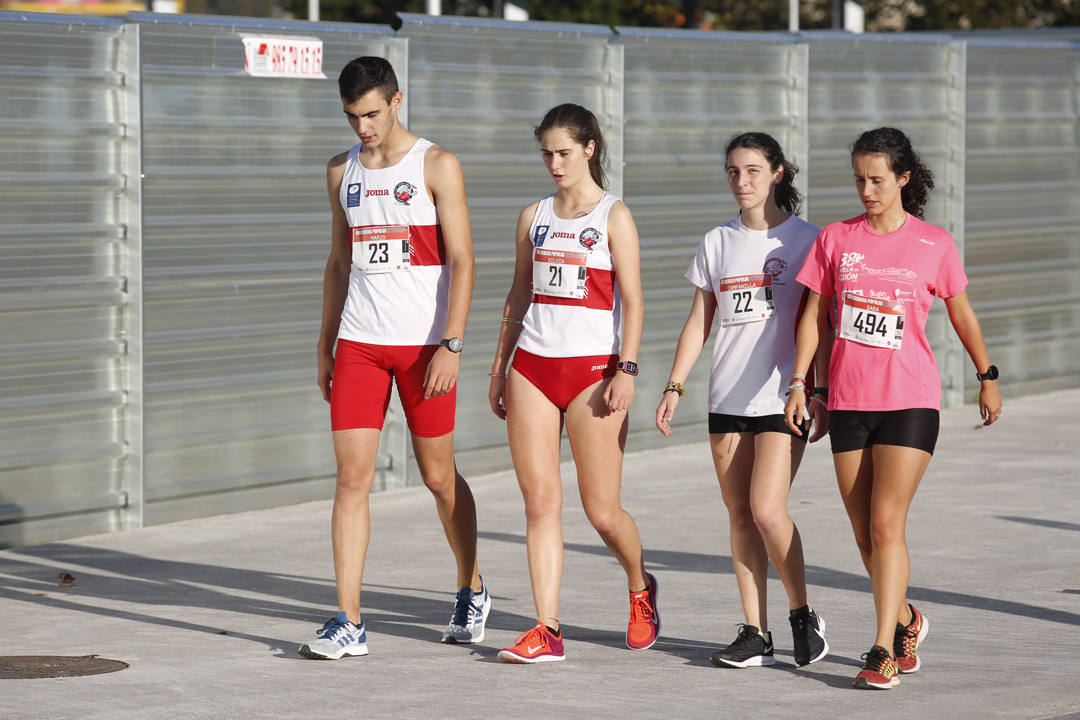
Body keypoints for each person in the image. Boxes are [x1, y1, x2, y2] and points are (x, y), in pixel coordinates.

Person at [784, 127, 1003, 689]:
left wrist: (987, 376)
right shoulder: (835, 239)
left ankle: (882, 649)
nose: (866, 190)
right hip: (848, 401)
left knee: (886, 524)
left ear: (903, 178)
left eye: (877, 179)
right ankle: (907, 620)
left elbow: (963, 315)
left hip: (910, 401)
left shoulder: (934, 244)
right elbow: (813, 317)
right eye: (859, 179)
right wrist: (803, 386)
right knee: (863, 535)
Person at [299, 56, 488, 660]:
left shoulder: (437, 164)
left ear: (397, 100)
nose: (363, 128)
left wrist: (452, 343)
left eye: (373, 114)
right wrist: (325, 344)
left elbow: (462, 258)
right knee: (351, 480)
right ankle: (348, 621)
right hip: (360, 344)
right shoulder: (340, 171)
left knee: (438, 477)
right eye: (353, 117)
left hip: (425, 347)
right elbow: (338, 263)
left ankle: (471, 585)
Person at [488, 103, 658, 663]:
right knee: (540, 504)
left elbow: (633, 301)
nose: (554, 163)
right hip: (532, 368)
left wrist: (626, 369)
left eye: (563, 152)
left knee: (602, 510)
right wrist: (499, 366)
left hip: (593, 375)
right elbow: (519, 296)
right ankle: (547, 628)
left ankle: (639, 586)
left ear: (589, 148)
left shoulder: (614, 216)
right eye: (546, 153)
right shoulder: (533, 215)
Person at [655, 132, 831, 669]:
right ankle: (756, 632)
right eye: (733, 171)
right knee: (738, 514)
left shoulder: (808, 240)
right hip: (726, 395)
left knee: (767, 510)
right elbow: (699, 321)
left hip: (785, 395)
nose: (742, 182)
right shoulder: (717, 241)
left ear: (777, 173)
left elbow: (820, 321)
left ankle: (802, 614)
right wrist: (673, 385)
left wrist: (816, 388)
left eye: (753, 171)